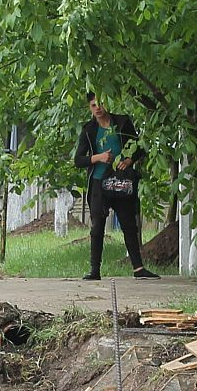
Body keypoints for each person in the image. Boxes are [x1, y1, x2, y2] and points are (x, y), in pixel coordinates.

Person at [73, 95, 156, 280]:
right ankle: (95, 270)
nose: (97, 108)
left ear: (107, 103)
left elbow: (139, 147)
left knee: (129, 224)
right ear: (89, 108)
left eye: (100, 104)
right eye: (93, 105)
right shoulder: (89, 130)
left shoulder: (122, 123)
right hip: (98, 182)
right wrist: (99, 157)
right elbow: (78, 160)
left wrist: (129, 160)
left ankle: (138, 269)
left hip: (121, 181)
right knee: (97, 227)